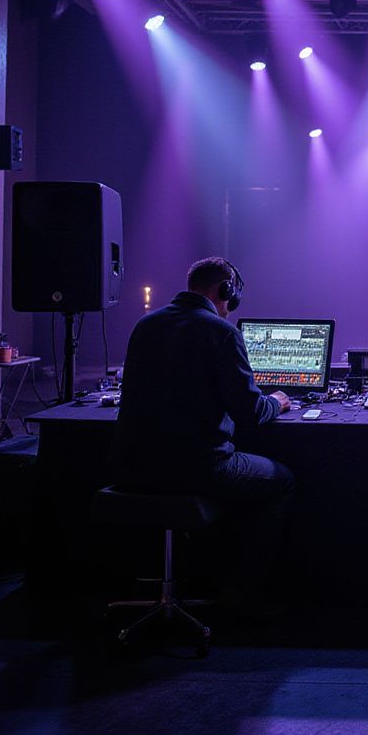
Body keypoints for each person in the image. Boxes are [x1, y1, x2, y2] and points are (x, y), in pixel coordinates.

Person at [111, 256, 295, 613]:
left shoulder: (146, 324)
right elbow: (250, 412)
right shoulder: (222, 332)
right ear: (227, 290)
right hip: (198, 468)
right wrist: (277, 401)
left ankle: (187, 576)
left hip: (131, 468)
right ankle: (242, 594)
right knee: (283, 481)